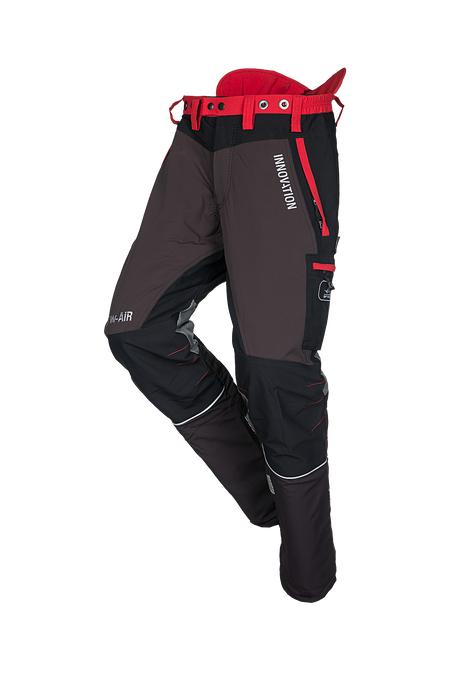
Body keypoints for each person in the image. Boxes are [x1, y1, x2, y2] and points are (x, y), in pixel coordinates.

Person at [101, 64, 348, 607]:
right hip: (200, 127)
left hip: (282, 129)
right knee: (136, 328)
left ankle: (309, 572)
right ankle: (268, 501)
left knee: (275, 369)